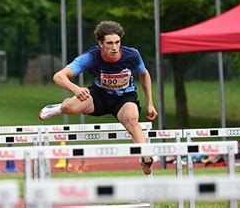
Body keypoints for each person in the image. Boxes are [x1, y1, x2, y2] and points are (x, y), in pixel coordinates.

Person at [38, 21, 158, 174]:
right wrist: (75, 89)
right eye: (109, 43)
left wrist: (150, 104)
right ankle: (59, 107)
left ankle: (145, 157)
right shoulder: (90, 57)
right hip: (99, 96)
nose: (114, 48)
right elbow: (58, 76)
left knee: (132, 120)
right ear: (101, 43)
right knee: (69, 108)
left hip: (124, 98)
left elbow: (144, 74)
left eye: (117, 42)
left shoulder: (132, 55)